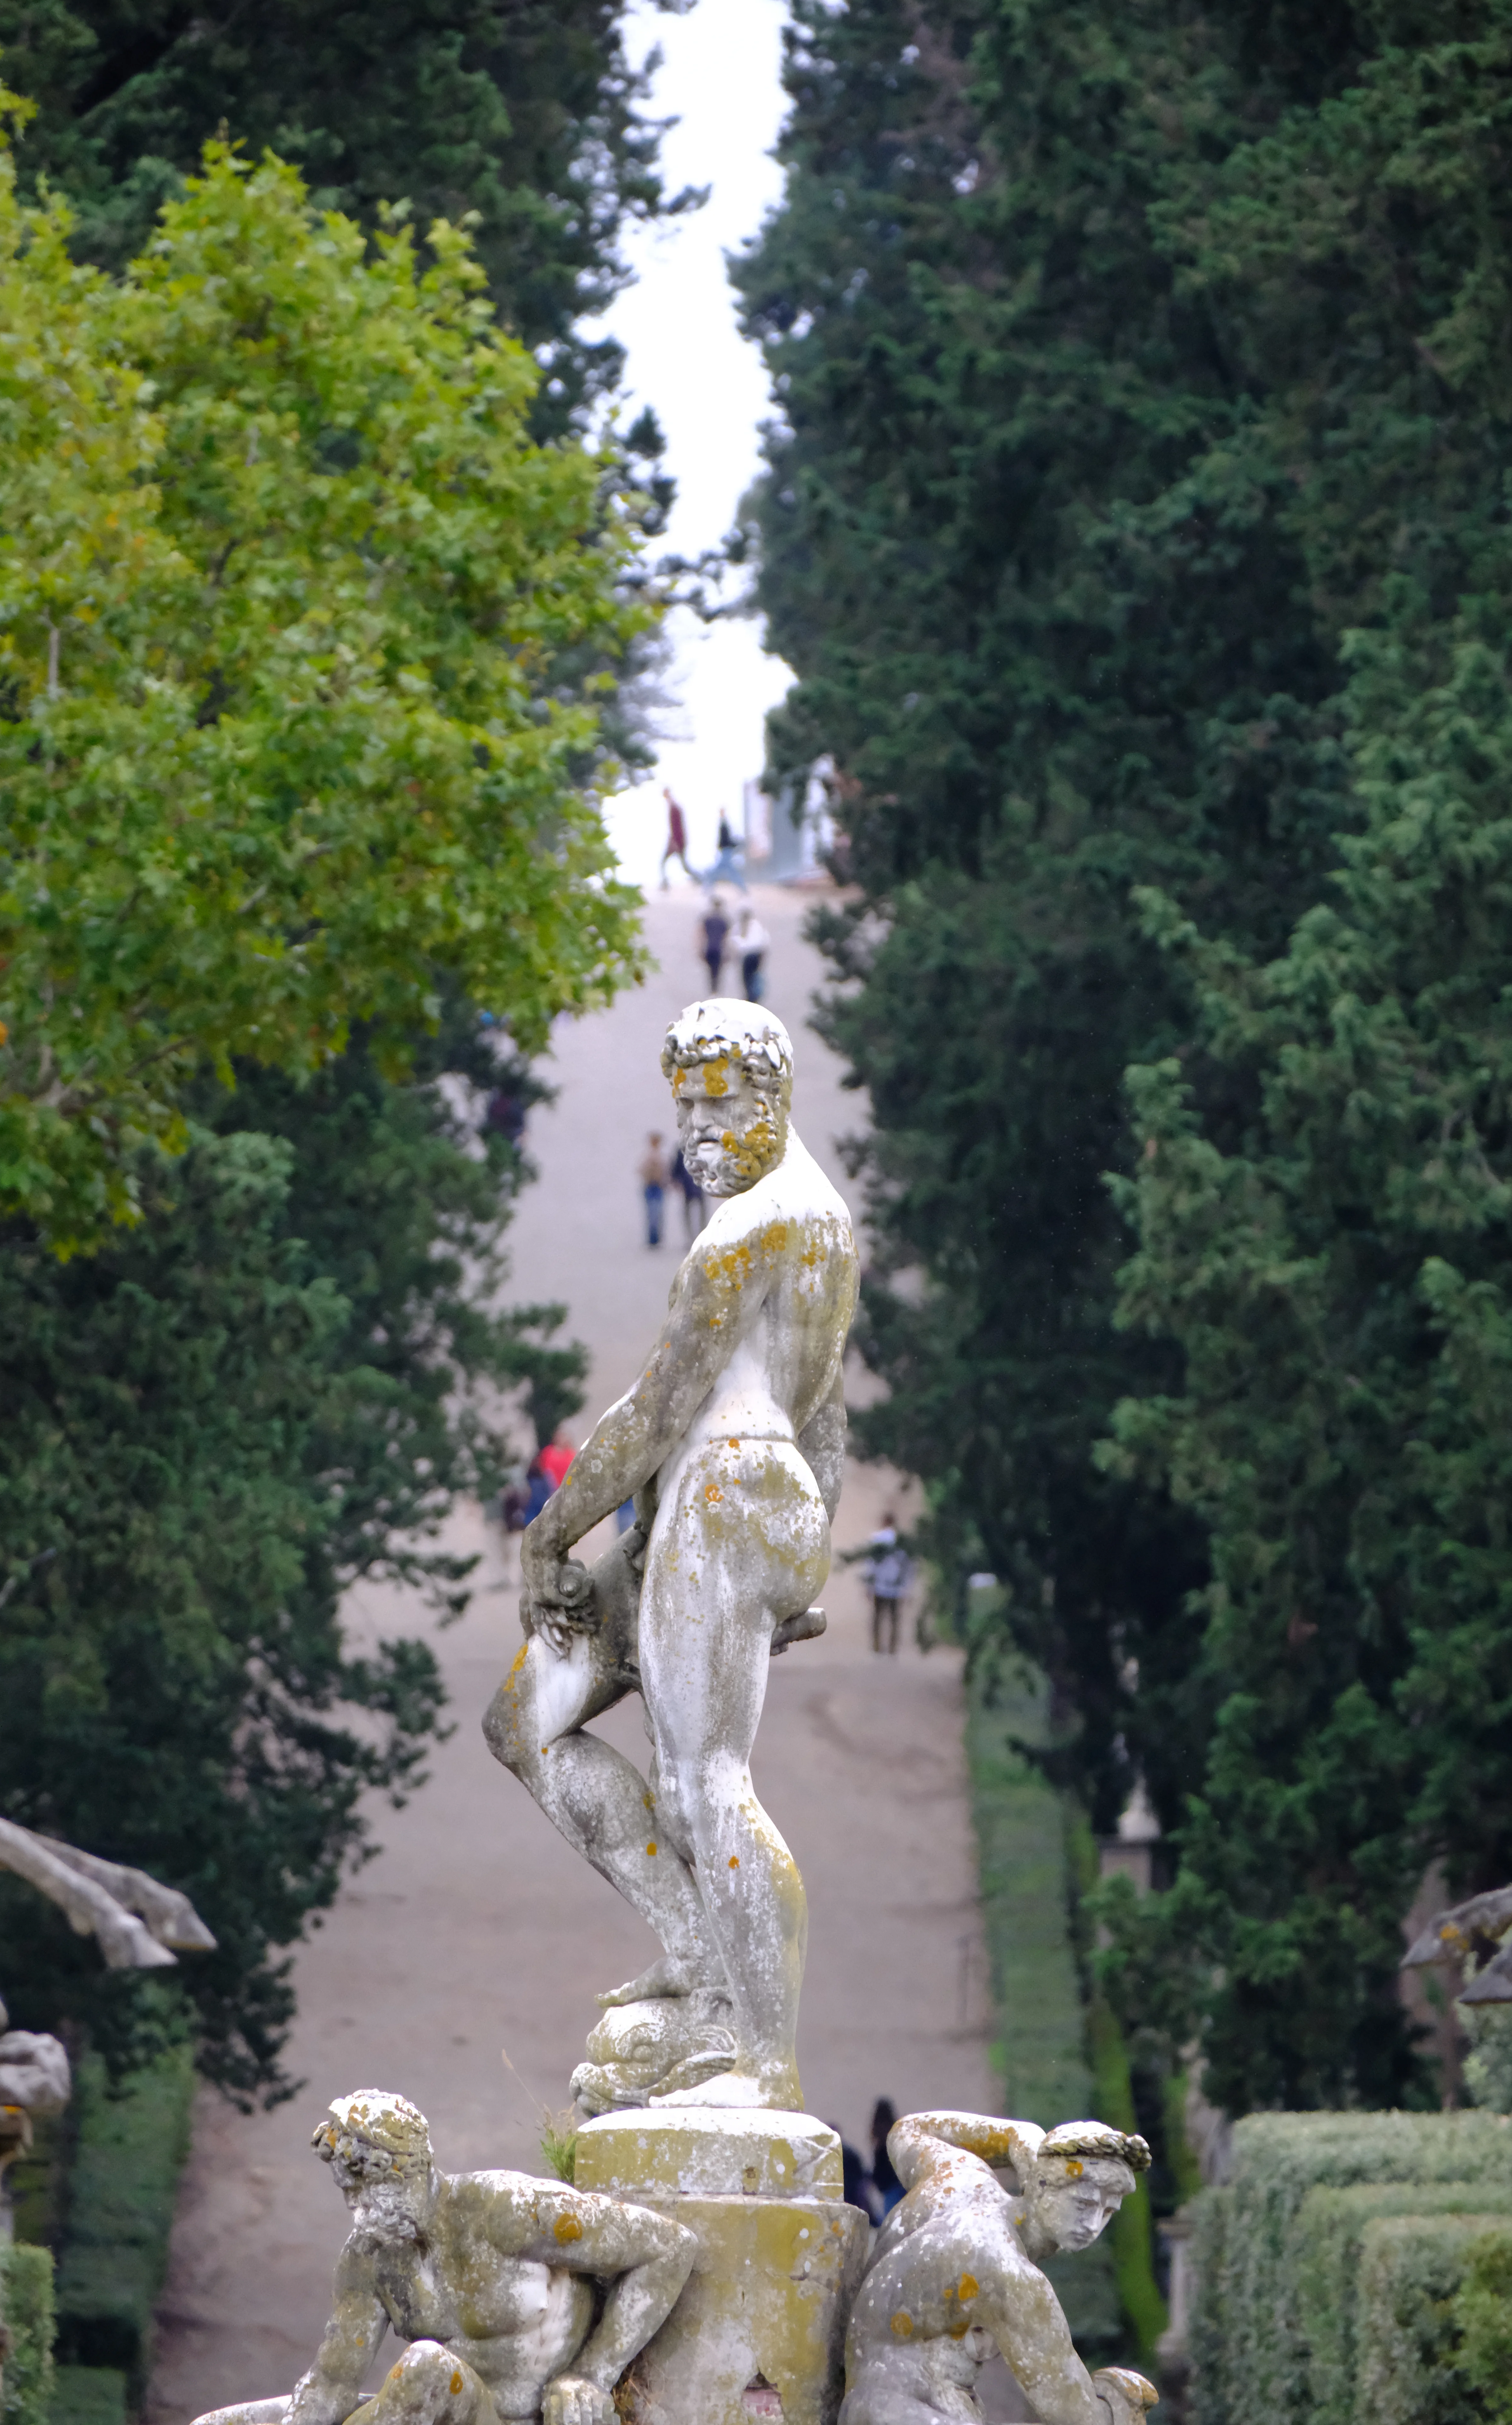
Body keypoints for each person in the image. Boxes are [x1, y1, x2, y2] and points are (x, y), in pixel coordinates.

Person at [483, 1000, 859, 2112]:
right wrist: (813, 1544)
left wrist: (549, 1530)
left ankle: (765, 2065)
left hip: (724, 1492)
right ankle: (696, 1951)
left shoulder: (746, 1231)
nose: (697, 1127)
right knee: (525, 1721)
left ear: (772, 1094)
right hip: (741, 1503)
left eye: (718, 1102)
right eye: (684, 1105)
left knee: (707, 1783)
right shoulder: (820, 1216)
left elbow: (655, 1409)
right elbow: (827, 1402)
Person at [199, 2087, 696, 2425]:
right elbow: (331, 2384)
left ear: (413, 2171)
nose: (359, 2211)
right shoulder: (369, 2258)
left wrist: (591, 2375)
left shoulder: (508, 2212)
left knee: (427, 2367)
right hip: (436, 2413)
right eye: (348, 2194)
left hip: (515, 2416)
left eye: (370, 2191)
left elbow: (668, 2248)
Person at [839, 2112, 1157, 2425]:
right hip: (899, 2409)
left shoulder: (962, 2179)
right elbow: (1073, 2411)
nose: (1092, 2225)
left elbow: (909, 2131)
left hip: (877, 2397)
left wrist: (1014, 2136)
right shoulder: (1008, 2272)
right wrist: (1121, 2404)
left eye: (1108, 2212)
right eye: (1083, 2204)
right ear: (1042, 2184)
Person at [861, 1514, 914, 1655]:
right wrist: (907, 1587)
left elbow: (871, 1565)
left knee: (878, 1617)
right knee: (894, 1619)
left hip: (880, 1585)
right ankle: (892, 1647)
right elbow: (908, 1566)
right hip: (896, 1586)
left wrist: (868, 1585)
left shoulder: (876, 1539)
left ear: (884, 1522)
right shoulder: (902, 1543)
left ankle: (877, 1645)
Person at [869, 2096, 904, 2216]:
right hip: (898, 2183)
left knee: (890, 2216)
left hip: (888, 2188)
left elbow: (879, 2166)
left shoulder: (878, 2136)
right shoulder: (895, 2133)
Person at [659, 789, 698, 889]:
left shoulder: (674, 808)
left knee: (681, 866)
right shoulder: (674, 807)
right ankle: (699, 880)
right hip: (678, 841)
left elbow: (677, 828)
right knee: (682, 865)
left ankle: (699, 880)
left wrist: (676, 842)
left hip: (677, 842)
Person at [669, 1144, 705, 1242]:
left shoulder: (700, 1148)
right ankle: (691, 1237)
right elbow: (677, 1168)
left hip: (699, 1185)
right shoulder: (682, 1150)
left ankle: (700, 1235)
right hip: (688, 1186)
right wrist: (676, 1181)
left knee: (700, 1212)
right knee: (689, 1212)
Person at [735, 905, 770, 1003]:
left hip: (748, 954)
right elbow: (766, 941)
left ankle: (751, 995)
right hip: (757, 953)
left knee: (747, 976)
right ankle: (754, 995)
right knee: (755, 975)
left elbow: (737, 943)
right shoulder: (758, 925)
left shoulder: (741, 926)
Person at [708, 807, 747, 891]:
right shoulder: (723, 824)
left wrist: (733, 845)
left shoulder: (725, 824)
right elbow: (724, 839)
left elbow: (726, 839)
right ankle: (743, 888)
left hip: (727, 851)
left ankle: (708, 888)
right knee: (730, 871)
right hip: (726, 851)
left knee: (722, 871)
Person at [640, 1132, 668, 1248]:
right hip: (650, 1186)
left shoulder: (662, 1156)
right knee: (651, 1213)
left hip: (659, 1187)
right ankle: (652, 1237)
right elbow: (641, 1170)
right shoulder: (647, 1156)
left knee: (658, 1213)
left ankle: (657, 1237)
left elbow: (666, 1172)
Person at [698, 895, 729, 993]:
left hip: (709, 947)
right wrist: (728, 952)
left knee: (711, 971)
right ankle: (716, 990)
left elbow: (702, 934)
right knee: (718, 971)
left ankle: (712, 990)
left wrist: (700, 949)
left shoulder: (707, 919)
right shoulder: (724, 921)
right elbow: (727, 938)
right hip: (719, 949)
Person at [535, 1428, 577, 1494]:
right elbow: (547, 1472)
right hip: (553, 1487)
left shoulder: (571, 1454)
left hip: (569, 1486)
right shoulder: (548, 1452)